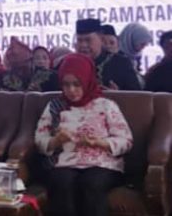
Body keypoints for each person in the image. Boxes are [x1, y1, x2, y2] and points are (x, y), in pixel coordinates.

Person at [34, 53, 132, 216]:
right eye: (66, 84)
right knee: (61, 182)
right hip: (65, 163)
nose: (71, 90)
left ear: (87, 81)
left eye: (77, 84)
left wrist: (100, 142)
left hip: (103, 165)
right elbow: (39, 140)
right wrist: (55, 141)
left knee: (91, 183)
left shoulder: (106, 106)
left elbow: (126, 141)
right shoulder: (55, 106)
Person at [76, 19, 140, 91]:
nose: (83, 45)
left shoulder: (121, 63)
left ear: (101, 39)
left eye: (88, 40)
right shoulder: (71, 64)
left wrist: (118, 94)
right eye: (79, 40)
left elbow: (137, 95)